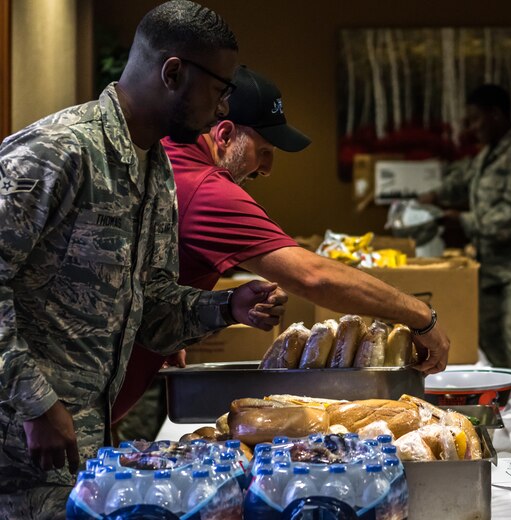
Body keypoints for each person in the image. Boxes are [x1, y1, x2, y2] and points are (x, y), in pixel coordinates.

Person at [0, 2, 287, 518]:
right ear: (173, 72)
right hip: (18, 444)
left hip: (81, 446)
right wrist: (36, 403)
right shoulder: (58, 151)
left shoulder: (153, 167)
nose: (223, 110)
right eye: (219, 90)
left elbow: (151, 303)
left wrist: (226, 307)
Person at [112, 65, 451, 427]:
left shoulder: (170, 156)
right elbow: (313, 276)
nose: (268, 168)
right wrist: (420, 315)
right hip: (76, 401)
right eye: (264, 151)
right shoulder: (205, 189)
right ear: (225, 134)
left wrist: (174, 324)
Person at [419, 84, 511, 468]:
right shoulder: (490, 154)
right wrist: (428, 199)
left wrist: (456, 219)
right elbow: (459, 181)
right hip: (498, 275)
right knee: (498, 370)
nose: (470, 127)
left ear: (497, 115)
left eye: (475, 119)